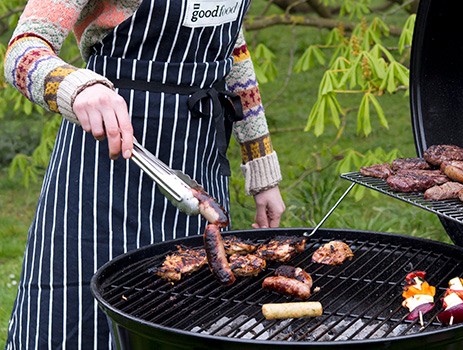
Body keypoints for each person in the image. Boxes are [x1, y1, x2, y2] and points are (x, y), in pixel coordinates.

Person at [3, 0, 286, 348]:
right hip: (107, 163)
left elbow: (233, 53)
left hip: (198, 164)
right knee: (82, 322)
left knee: (191, 319)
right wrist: (76, 86)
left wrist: (262, 167)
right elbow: (22, 52)